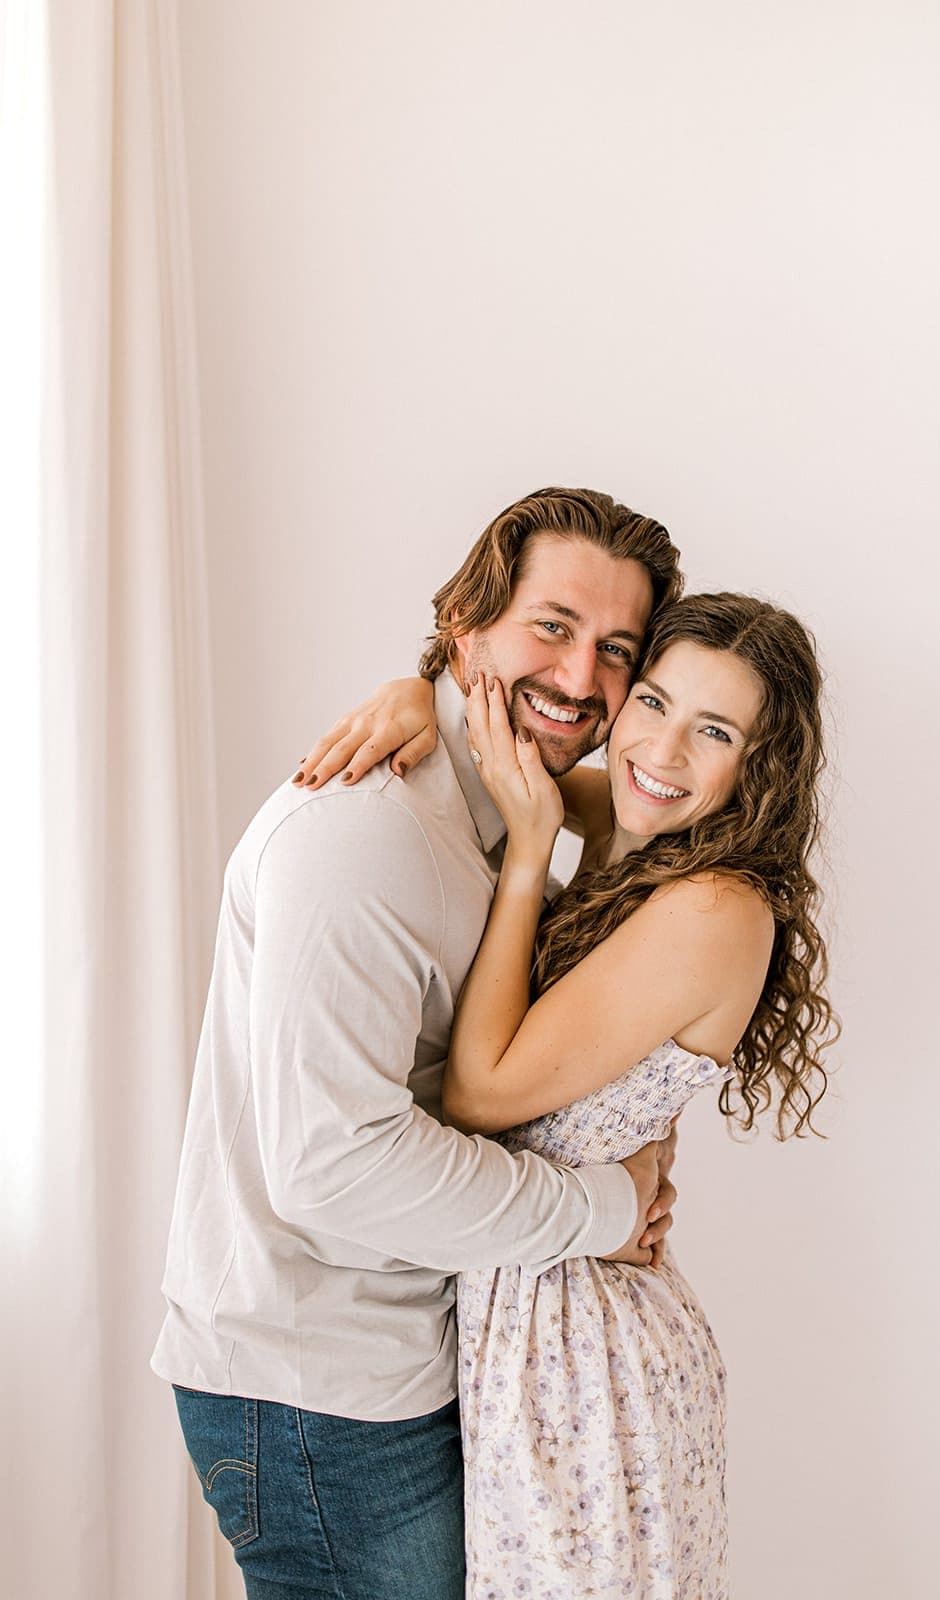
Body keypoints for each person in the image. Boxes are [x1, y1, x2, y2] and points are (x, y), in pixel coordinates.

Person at [151, 487, 686, 1599]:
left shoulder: (506, 802)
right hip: (318, 1397)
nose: (581, 678)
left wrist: (425, 693)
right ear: (465, 618)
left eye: (614, 650)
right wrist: (603, 1208)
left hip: (390, 1370)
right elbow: (332, 1165)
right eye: (551, 625)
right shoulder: (362, 834)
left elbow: (656, 798)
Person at [306, 591, 837, 1597]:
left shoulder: (712, 907)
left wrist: (524, 855)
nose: (662, 750)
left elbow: (477, 1091)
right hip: (537, 1310)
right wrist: (416, 699)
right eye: (651, 701)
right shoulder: (648, 834)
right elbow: (500, 761)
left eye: (712, 730)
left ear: (756, 771)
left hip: (583, 1361)